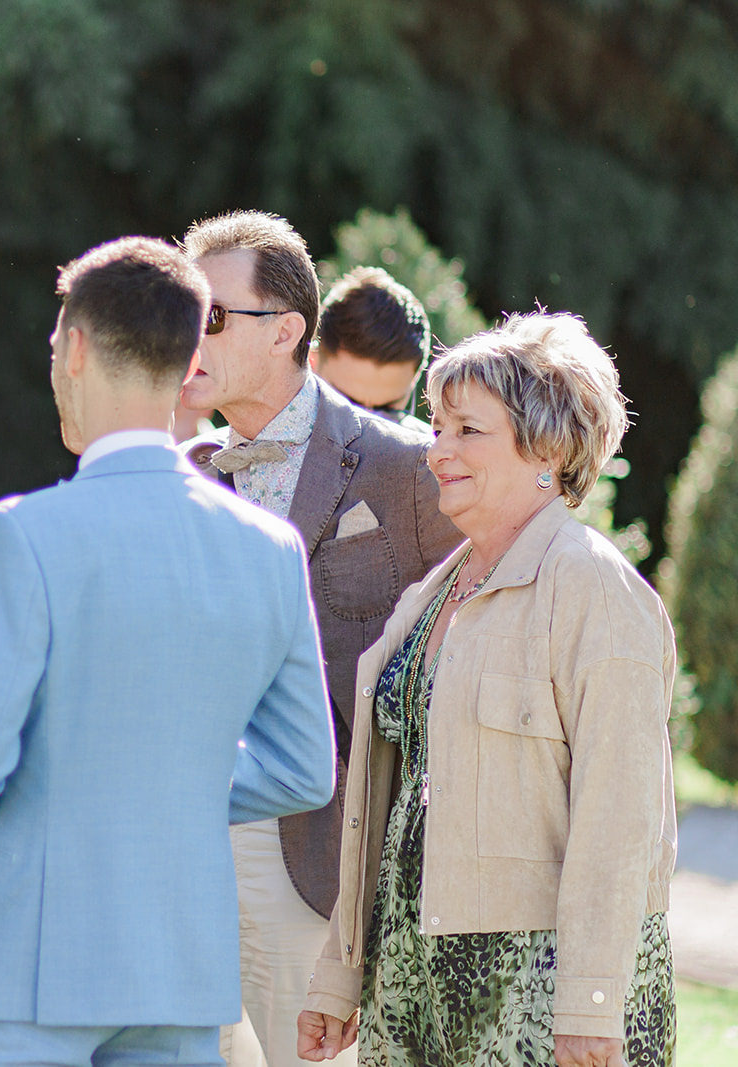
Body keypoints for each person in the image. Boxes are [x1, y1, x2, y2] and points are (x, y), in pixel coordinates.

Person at [0, 236, 335, 1067]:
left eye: (52, 351)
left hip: (31, 958)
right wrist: (171, 787)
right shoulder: (269, 548)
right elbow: (304, 769)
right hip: (181, 968)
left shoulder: (24, 532)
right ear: (189, 364)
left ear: (74, 348)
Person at [299, 311, 676, 1067]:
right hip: (411, 981)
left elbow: (621, 817)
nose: (436, 451)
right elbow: (386, 802)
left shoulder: (594, 588)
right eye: (436, 426)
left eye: (467, 430)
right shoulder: (436, 592)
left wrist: (590, 1003)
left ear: (548, 446)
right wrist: (341, 974)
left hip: (536, 994)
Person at [177, 210, 462, 1067]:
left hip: (324, 854)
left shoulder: (404, 469)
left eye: (212, 314)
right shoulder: (185, 475)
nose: (189, 334)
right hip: (183, 844)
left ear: (286, 330)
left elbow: (457, 661)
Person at [309, 267, 433, 433]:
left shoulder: (432, 453)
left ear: (414, 381)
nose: (367, 430)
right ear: (311, 362)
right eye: (345, 405)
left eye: (388, 410)